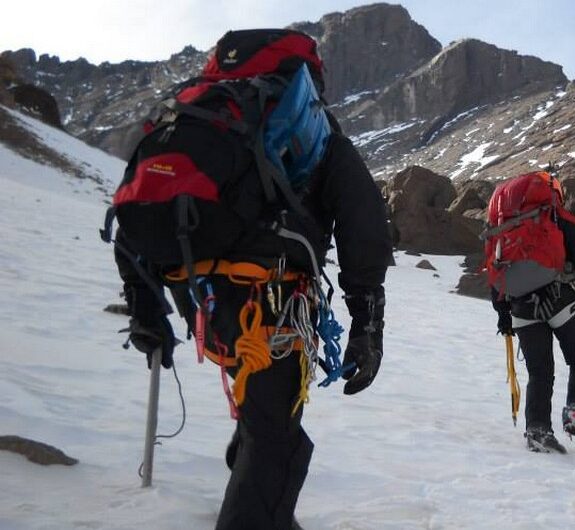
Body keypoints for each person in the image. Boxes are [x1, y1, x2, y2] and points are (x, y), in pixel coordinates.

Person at [113, 29, 392, 530]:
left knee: (261, 405)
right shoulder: (314, 129)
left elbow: (140, 205)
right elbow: (362, 221)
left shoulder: (196, 117)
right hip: (273, 296)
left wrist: (144, 308)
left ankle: (253, 495)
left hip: (196, 291)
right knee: (274, 433)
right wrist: (368, 322)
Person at [485, 170, 575, 454]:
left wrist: (502, 313)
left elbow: (495, 271)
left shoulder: (502, 227)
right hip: (559, 300)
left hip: (520, 308)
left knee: (540, 372)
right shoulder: (555, 217)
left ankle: (537, 430)